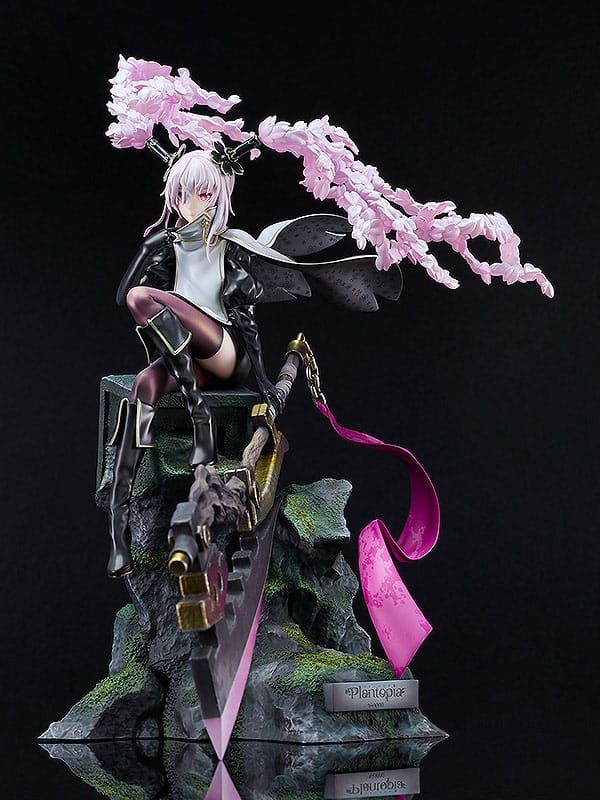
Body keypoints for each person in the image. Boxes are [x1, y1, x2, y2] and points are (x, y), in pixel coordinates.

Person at [106, 148, 283, 578]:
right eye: (183, 194)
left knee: (145, 298)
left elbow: (248, 321)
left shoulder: (230, 247)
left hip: (224, 353)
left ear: (219, 194)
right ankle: (118, 527)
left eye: (203, 193)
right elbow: (123, 297)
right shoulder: (169, 247)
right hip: (187, 359)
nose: (192, 203)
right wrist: (146, 250)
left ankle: (200, 416)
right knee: (144, 385)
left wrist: (263, 380)